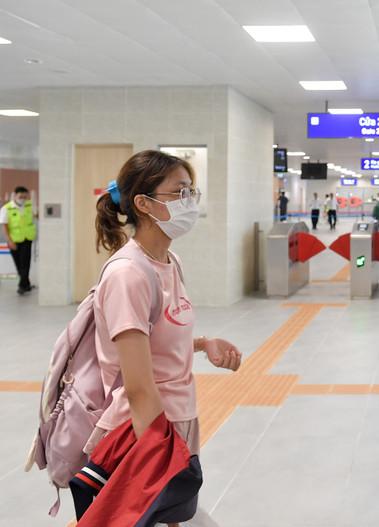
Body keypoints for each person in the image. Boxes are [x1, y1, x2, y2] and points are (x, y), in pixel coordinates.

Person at [93, 150, 242, 526]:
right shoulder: (128, 274)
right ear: (143, 203)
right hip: (142, 429)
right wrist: (159, 461)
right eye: (179, 192)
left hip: (178, 419)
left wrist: (202, 344)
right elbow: (139, 387)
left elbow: (153, 342)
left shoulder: (170, 263)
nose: (189, 201)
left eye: (192, 191)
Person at [1, 186, 37, 295]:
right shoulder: (7, 208)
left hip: (27, 238)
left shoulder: (29, 205)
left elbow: (36, 215)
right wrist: (10, 240)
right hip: (14, 239)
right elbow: (4, 226)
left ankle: (22, 286)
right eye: (20, 197)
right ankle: (26, 284)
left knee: (25, 263)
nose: (23, 199)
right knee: (18, 264)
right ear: (15, 196)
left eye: (25, 197)